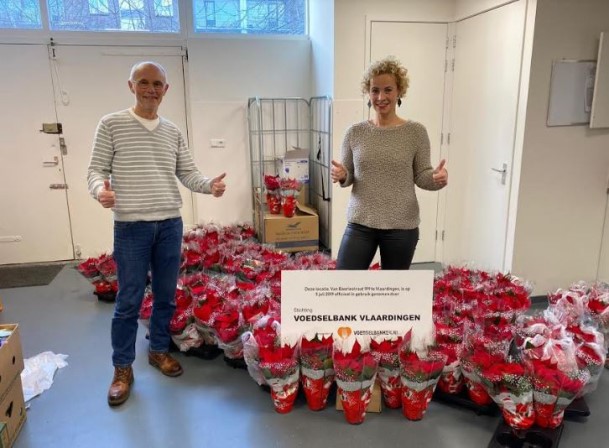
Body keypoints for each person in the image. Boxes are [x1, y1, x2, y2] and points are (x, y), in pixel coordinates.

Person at [87, 61, 227, 407]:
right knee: (128, 300)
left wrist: (209, 185)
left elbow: (188, 173)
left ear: (166, 90)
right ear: (131, 85)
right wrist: (100, 191)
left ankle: (158, 350)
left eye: (157, 84)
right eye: (144, 82)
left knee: (166, 296)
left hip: (169, 225)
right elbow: (95, 170)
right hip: (131, 227)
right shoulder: (111, 124)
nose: (151, 89)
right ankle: (122, 368)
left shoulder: (172, 131)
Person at [331, 56, 448, 270]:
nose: (381, 97)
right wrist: (342, 175)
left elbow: (422, 175)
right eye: (375, 90)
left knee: (394, 288)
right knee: (344, 281)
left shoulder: (416, 132)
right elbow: (348, 174)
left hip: (401, 225)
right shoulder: (354, 132)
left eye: (388, 90)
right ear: (368, 92)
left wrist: (436, 179)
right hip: (361, 222)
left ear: (399, 91)